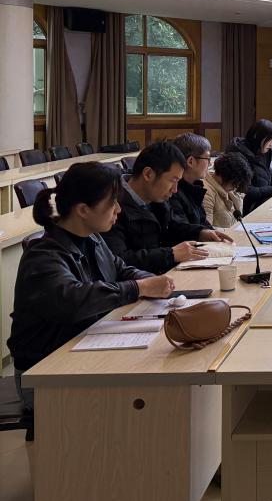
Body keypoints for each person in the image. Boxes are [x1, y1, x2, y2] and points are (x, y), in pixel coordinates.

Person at [8, 162, 175, 417]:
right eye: (112, 203)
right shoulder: (43, 254)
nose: (119, 209)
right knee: (148, 402)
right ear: (83, 209)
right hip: (43, 373)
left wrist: (152, 281)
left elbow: (120, 269)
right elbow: (74, 300)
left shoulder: (93, 237)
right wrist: (138, 287)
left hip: (81, 349)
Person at [105, 141, 232, 274]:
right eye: (173, 180)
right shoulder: (112, 206)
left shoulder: (157, 198)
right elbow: (118, 261)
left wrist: (200, 233)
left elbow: (173, 227)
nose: (175, 189)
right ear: (148, 174)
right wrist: (170, 254)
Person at [168, 133, 215, 230]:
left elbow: (203, 222)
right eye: (207, 158)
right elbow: (183, 230)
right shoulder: (173, 192)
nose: (210, 163)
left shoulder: (193, 188)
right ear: (190, 161)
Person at [204, 153, 252, 228]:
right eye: (234, 183)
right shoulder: (206, 192)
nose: (235, 187)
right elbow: (206, 229)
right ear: (221, 177)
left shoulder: (230, 189)